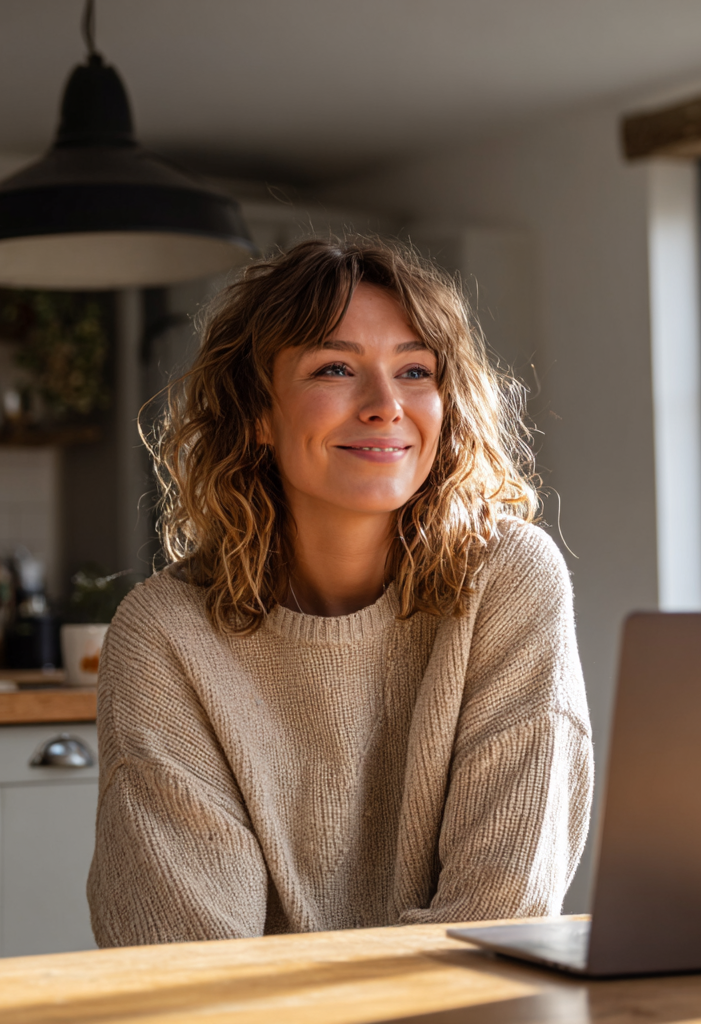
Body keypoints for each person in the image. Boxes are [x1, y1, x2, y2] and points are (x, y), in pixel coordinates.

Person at [87, 236, 593, 945]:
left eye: (415, 370)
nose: (386, 405)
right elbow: (185, 956)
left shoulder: (509, 578)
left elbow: (500, 912)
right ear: (258, 413)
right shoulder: (164, 632)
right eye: (335, 368)